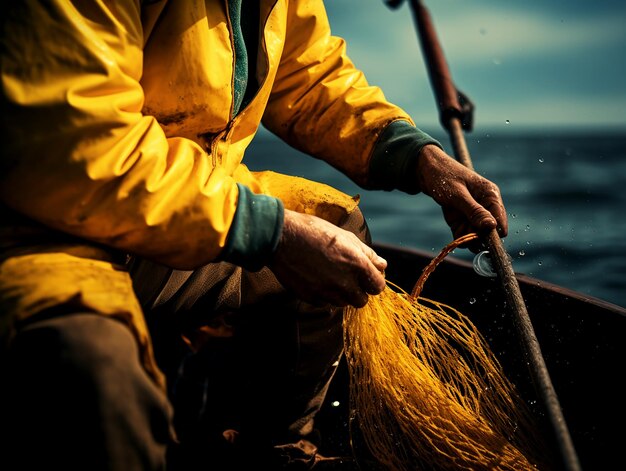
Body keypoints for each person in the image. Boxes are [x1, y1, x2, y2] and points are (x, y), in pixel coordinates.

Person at [0, 1, 507, 470]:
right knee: (98, 378)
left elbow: (309, 75)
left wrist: (417, 157)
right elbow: (75, 143)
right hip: (39, 230)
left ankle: (275, 451)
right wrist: (268, 231)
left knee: (336, 228)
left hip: (177, 208)